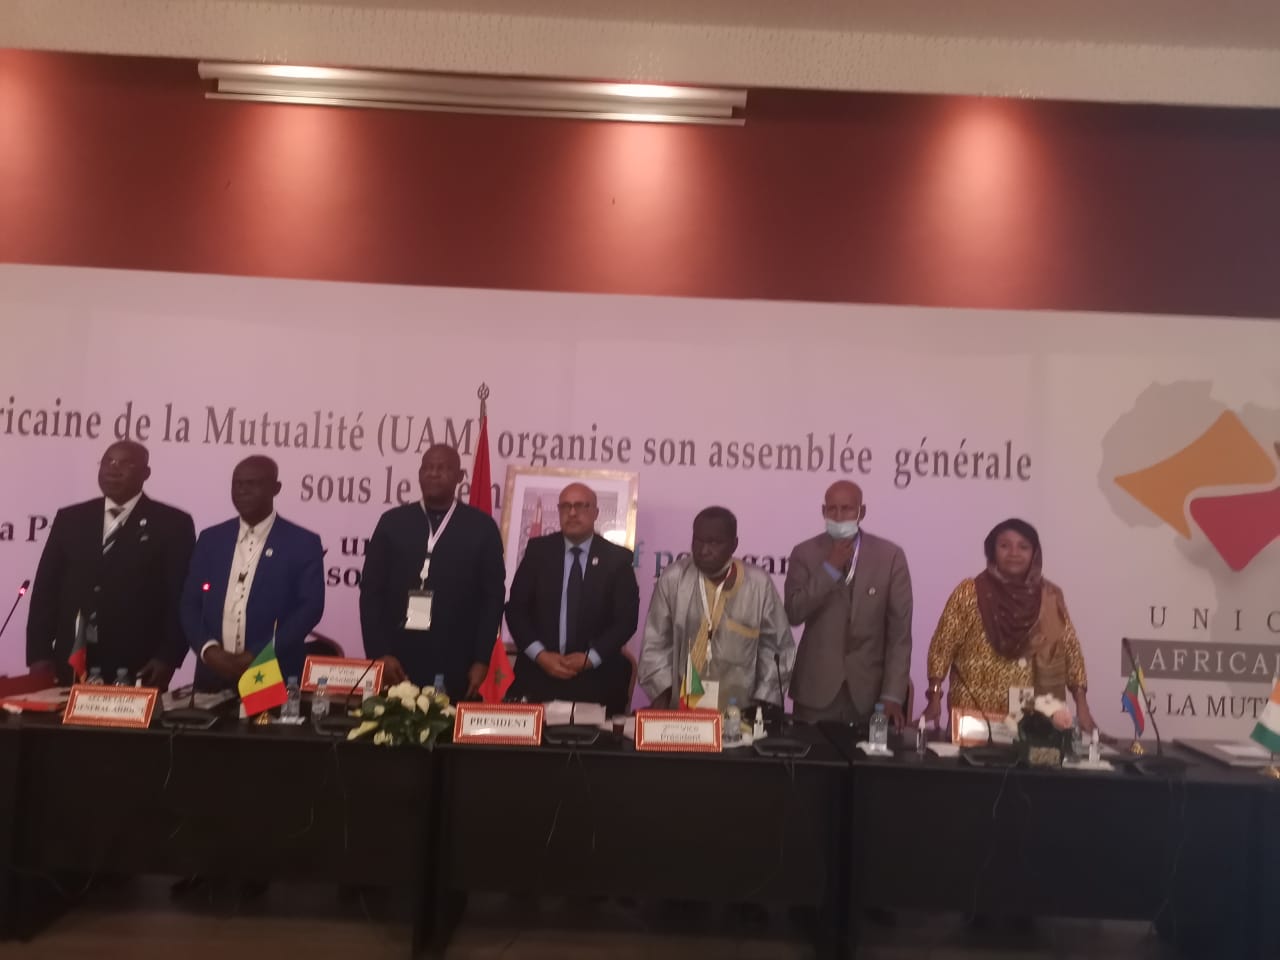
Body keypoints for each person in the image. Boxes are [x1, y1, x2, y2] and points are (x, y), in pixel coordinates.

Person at [26, 440, 195, 689]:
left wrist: (168, 657)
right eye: (108, 462)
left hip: (139, 662)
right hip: (72, 659)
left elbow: (179, 596)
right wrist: (39, 654)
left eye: (126, 463)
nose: (113, 470)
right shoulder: (71, 518)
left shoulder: (172, 523)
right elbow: (45, 590)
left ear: (146, 473)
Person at [359, 444, 505, 700]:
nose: (433, 473)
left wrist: (482, 658)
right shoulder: (392, 522)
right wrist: (379, 652)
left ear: (460, 476)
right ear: (419, 474)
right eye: (427, 468)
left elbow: (492, 599)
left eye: (443, 468)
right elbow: (371, 592)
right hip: (397, 658)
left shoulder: (482, 527)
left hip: (458, 659)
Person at [923, 518, 1096, 731]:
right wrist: (934, 697)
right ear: (992, 551)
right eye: (1005, 545)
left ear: (1035, 553)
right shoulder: (970, 592)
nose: (1014, 553)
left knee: (1029, 750)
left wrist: (1082, 705)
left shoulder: (1049, 597)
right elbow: (942, 646)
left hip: (1029, 714)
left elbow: (1071, 650)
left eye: (1023, 547)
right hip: (973, 711)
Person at [180, 456, 325, 692]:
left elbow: (310, 608)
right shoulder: (211, 539)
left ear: (276, 488)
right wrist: (208, 649)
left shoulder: (302, 542)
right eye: (237, 484)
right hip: (214, 670)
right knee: (205, 718)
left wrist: (257, 654)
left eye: (253, 483)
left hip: (271, 669)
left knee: (265, 718)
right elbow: (190, 603)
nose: (242, 491)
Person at [639, 506, 795, 711]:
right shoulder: (673, 578)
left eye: (714, 543)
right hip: (683, 709)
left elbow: (776, 648)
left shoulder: (758, 584)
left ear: (734, 544)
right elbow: (656, 643)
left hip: (740, 711)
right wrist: (663, 696)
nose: (703, 550)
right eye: (698, 540)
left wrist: (764, 701)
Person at [784, 481, 913, 728]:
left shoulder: (890, 556)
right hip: (816, 690)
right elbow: (793, 613)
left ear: (862, 512)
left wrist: (893, 695)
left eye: (847, 509)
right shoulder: (804, 553)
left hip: (869, 694)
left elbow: (900, 634)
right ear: (823, 511)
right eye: (832, 509)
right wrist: (829, 569)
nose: (839, 516)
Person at [505, 483, 640, 715]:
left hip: (597, 676)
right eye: (565, 506)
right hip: (540, 672)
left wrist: (591, 658)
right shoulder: (538, 552)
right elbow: (516, 611)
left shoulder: (617, 559)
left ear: (596, 512)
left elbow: (626, 620)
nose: (573, 512)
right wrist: (540, 655)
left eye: (581, 506)